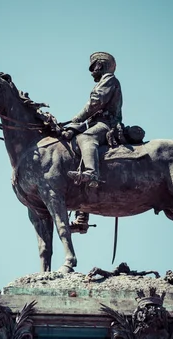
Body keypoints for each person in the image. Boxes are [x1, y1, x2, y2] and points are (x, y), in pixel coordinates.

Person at [64, 52, 123, 233]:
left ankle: (92, 174)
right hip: (96, 123)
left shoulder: (109, 79)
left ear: (101, 65)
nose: (91, 72)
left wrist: (76, 119)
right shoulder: (103, 81)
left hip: (107, 124)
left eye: (93, 67)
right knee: (73, 151)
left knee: (85, 138)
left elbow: (95, 103)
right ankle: (82, 215)